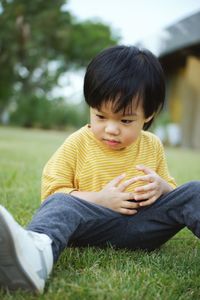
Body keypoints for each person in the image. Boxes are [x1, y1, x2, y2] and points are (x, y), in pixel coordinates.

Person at [0, 45, 200, 294]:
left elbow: (174, 196)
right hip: (92, 228)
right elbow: (53, 194)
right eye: (101, 116)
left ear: (149, 114)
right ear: (91, 107)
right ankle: (35, 256)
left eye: (125, 120)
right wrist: (101, 199)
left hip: (145, 227)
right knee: (61, 204)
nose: (111, 129)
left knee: (194, 191)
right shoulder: (78, 143)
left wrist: (163, 187)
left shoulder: (153, 145)